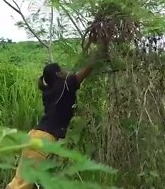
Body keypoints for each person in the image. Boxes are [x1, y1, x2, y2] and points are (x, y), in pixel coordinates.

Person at [6, 55, 100, 189]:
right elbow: (84, 72)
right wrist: (99, 54)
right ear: (58, 73)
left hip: (34, 136)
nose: (64, 71)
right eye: (61, 70)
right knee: (23, 185)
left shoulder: (49, 91)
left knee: (19, 181)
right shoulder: (64, 85)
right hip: (43, 139)